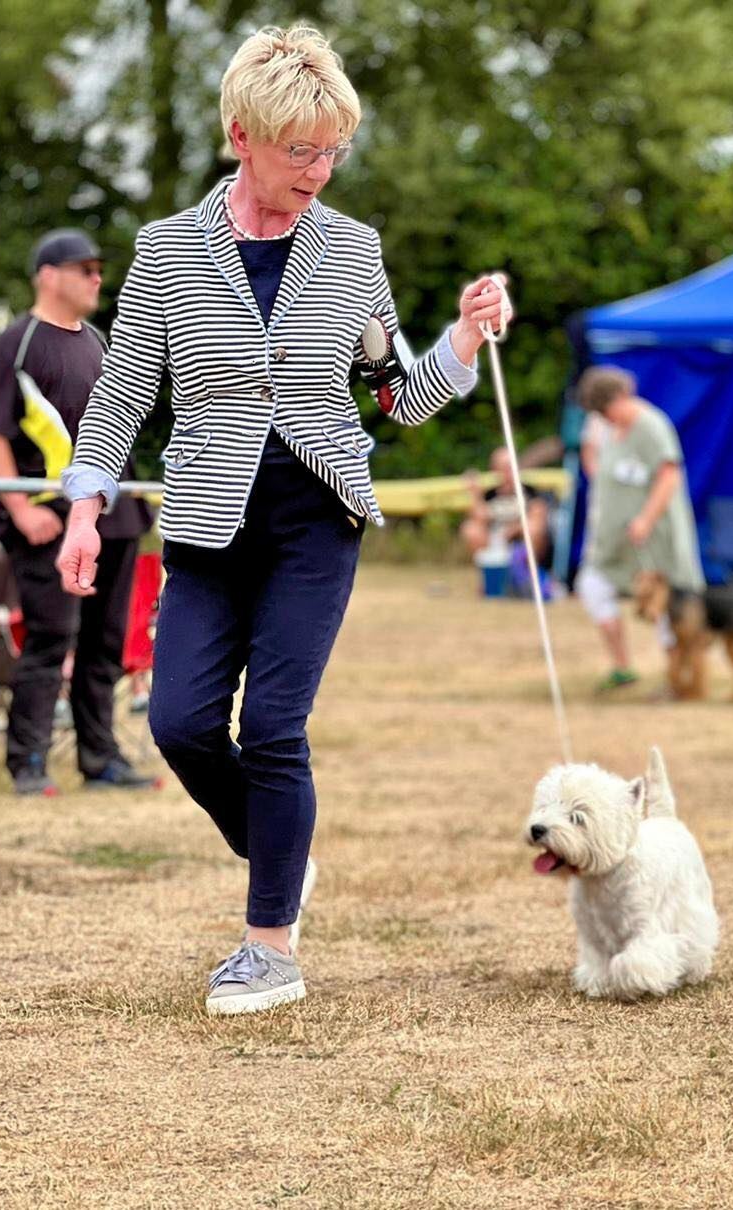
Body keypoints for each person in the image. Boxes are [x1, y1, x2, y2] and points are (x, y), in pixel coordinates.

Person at [55, 24, 512, 1016]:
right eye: (299, 148)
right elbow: (124, 394)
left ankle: (270, 948)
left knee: (272, 724)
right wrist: (86, 502)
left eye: (332, 148)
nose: (319, 168)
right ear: (240, 136)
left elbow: (393, 396)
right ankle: (280, 850)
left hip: (317, 516)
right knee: (176, 722)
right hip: (208, 525)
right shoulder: (169, 253)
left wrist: (464, 340)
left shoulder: (353, 252)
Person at [0, 229, 156, 796]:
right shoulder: (15, 344)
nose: (98, 278)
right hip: (49, 518)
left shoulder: (100, 340)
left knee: (106, 643)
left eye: (100, 269)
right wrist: (21, 509)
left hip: (115, 516)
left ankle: (101, 761)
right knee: (51, 639)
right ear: (48, 275)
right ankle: (27, 762)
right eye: (85, 268)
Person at [573, 366, 704, 693]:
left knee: (667, 610)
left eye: (605, 410)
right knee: (592, 585)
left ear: (619, 397)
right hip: (616, 545)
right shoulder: (611, 429)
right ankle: (622, 667)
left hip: (654, 541)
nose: (603, 418)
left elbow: (669, 476)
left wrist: (645, 519)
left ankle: (679, 678)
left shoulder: (651, 425)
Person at [461, 446, 552, 582]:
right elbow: (480, 517)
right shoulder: (489, 494)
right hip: (495, 540)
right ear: (494, 470)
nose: (507, 472)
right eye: (502, 467)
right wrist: (475, 493)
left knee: (533, 527)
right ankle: (490, 577)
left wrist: (515, 529)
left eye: (510, 467)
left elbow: (539, 514)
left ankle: (527, 576)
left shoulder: (528, 490)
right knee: (470, 529)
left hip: (520, 541)